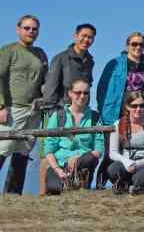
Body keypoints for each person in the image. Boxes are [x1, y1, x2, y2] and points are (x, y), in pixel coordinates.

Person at [96, 31, 144, 188]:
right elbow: (102, 88)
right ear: (127, 45)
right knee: (111, 151)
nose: (137, 47)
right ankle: (100, 185)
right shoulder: (115, 64)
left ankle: (132, 183)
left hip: (138, 112)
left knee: (138, 148)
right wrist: (104, 110)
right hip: (116, 112)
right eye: (134, 44)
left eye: (141, 44)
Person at [0, 14, 49, 194]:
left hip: (33, 110)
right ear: (18, 29)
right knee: (3, 148)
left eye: (34, 29)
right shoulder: (8, 50)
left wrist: (44, 99)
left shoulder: (40, 54)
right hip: (12, 109)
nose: (31, 32)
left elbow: (45, 81)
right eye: (27, 28)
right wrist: (1, 106)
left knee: (23, 152)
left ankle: (13, 194)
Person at [43, 78, 104, 195]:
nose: (82, 96)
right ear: (70, 93)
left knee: (91, 158)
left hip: (83, 164)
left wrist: (77, 159)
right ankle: (65, 182)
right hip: (59, 165)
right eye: (78, 92)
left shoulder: (95, 117)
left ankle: (76, 183)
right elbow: (49, 150)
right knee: (54, 189)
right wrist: (58, 170)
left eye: (86, 93)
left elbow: (99, 150)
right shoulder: (57, 116)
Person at [108, 91, 144, 195]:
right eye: (134, 106)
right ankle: (126, 186)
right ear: (127, 107)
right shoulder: (118, 124)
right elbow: (112, 152)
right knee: (113, 169)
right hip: (126, 163)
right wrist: (127, 162)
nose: (138, 109)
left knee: (142, 177)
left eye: (142, 106)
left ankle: (138, 186)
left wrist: (139, 164)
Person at [41, 23, 95, 112]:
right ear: (75, 36)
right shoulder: (60, 58)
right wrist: (51, 113)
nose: (86, 40)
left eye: (90, 37)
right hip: (62, 112)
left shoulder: (90, 62)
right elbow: (50, 89)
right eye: (84, 36)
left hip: (82, 112)